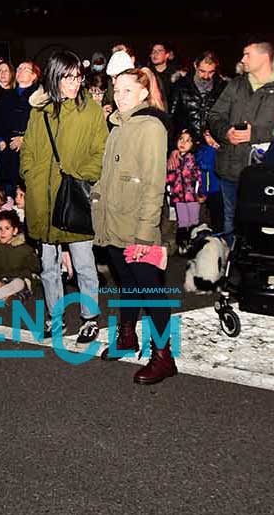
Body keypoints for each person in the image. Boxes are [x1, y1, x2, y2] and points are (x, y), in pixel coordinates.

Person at [91, 67, 173, 383]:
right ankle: (126, 337)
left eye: (127, 90)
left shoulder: (151, 127)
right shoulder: (118, 125)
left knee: (151, 291)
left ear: (143, 92)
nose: (120, 96)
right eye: (116, 89)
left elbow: (154, 185)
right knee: (127, 283)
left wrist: (144, 235)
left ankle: (164, 358)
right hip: (114, 222)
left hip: (138, 227)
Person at [20, 50, 109, 343]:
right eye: (67, 77)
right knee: (48, 267)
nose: (74, 83)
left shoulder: (91, 111)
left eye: (77, 77)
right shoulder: (39, 111)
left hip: (73, 196)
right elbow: (28, 148)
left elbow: (101, 151)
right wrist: (29, 174)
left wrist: (79, 174)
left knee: (84, 264)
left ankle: (90, 318)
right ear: (54, 77)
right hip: (42, 198)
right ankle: (54, 317)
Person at [207, 38, 274, 238]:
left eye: (247, 54)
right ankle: (231, 256)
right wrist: (226, 132)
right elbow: (215, 115)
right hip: (230, 165)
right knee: (230, 218)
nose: (242, 59)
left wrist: (255, 134)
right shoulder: (236, 85)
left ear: (265, 57)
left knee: (260, 221)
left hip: (264, 171)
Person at [0, 61, 39, 199]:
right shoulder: (8, 95)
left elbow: (40, 126)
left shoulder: (39, 97)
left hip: (29, 150)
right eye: (18, 68)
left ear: (34, 76)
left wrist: (24, 139)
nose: (20, 71)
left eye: (25, 69)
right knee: (8, 192)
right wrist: (0, 139)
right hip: (8, 149)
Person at [169, 50, 227, 142]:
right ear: (195, 66)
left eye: (211, 72)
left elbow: (226, 118)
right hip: (186, 143)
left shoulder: (223, 88)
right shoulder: (180, 86)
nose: (206, 76)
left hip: (213, 144)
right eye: (202, 71)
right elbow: (171, 118)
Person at [166, 128, 203, 251]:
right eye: (181, 139)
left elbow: (198, 177)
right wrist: (169, 187)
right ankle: (182, 245)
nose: (183, 143)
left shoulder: (193, 158)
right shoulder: (174, 159)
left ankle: (194, 245)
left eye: (188, 141)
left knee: (193, 221)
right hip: (178, 197)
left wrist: (200, 193)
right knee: (182, 222)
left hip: (192, 197)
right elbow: (170, 176)